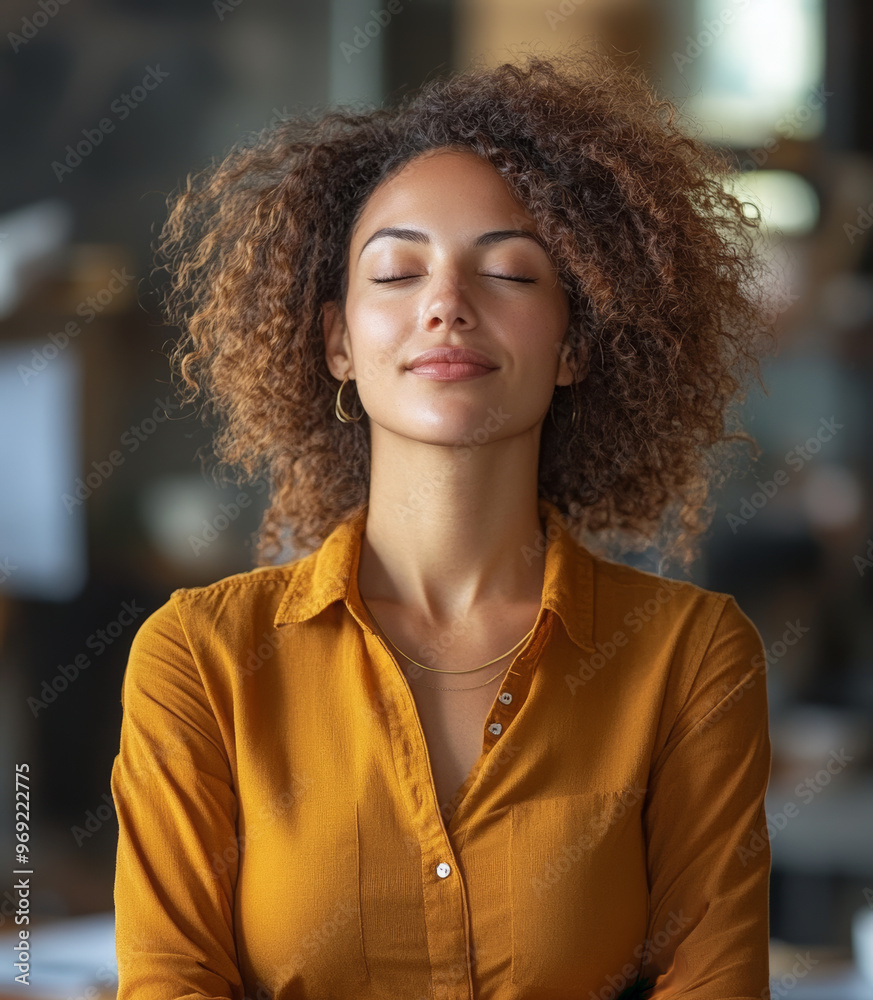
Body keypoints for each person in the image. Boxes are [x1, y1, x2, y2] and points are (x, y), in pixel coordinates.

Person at [111, 45, 778, 1000]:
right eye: (395, 274)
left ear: (573, 345)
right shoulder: (200, 659)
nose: (446, 306)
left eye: (507, 274)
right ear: (338, 341)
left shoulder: (690, 657)